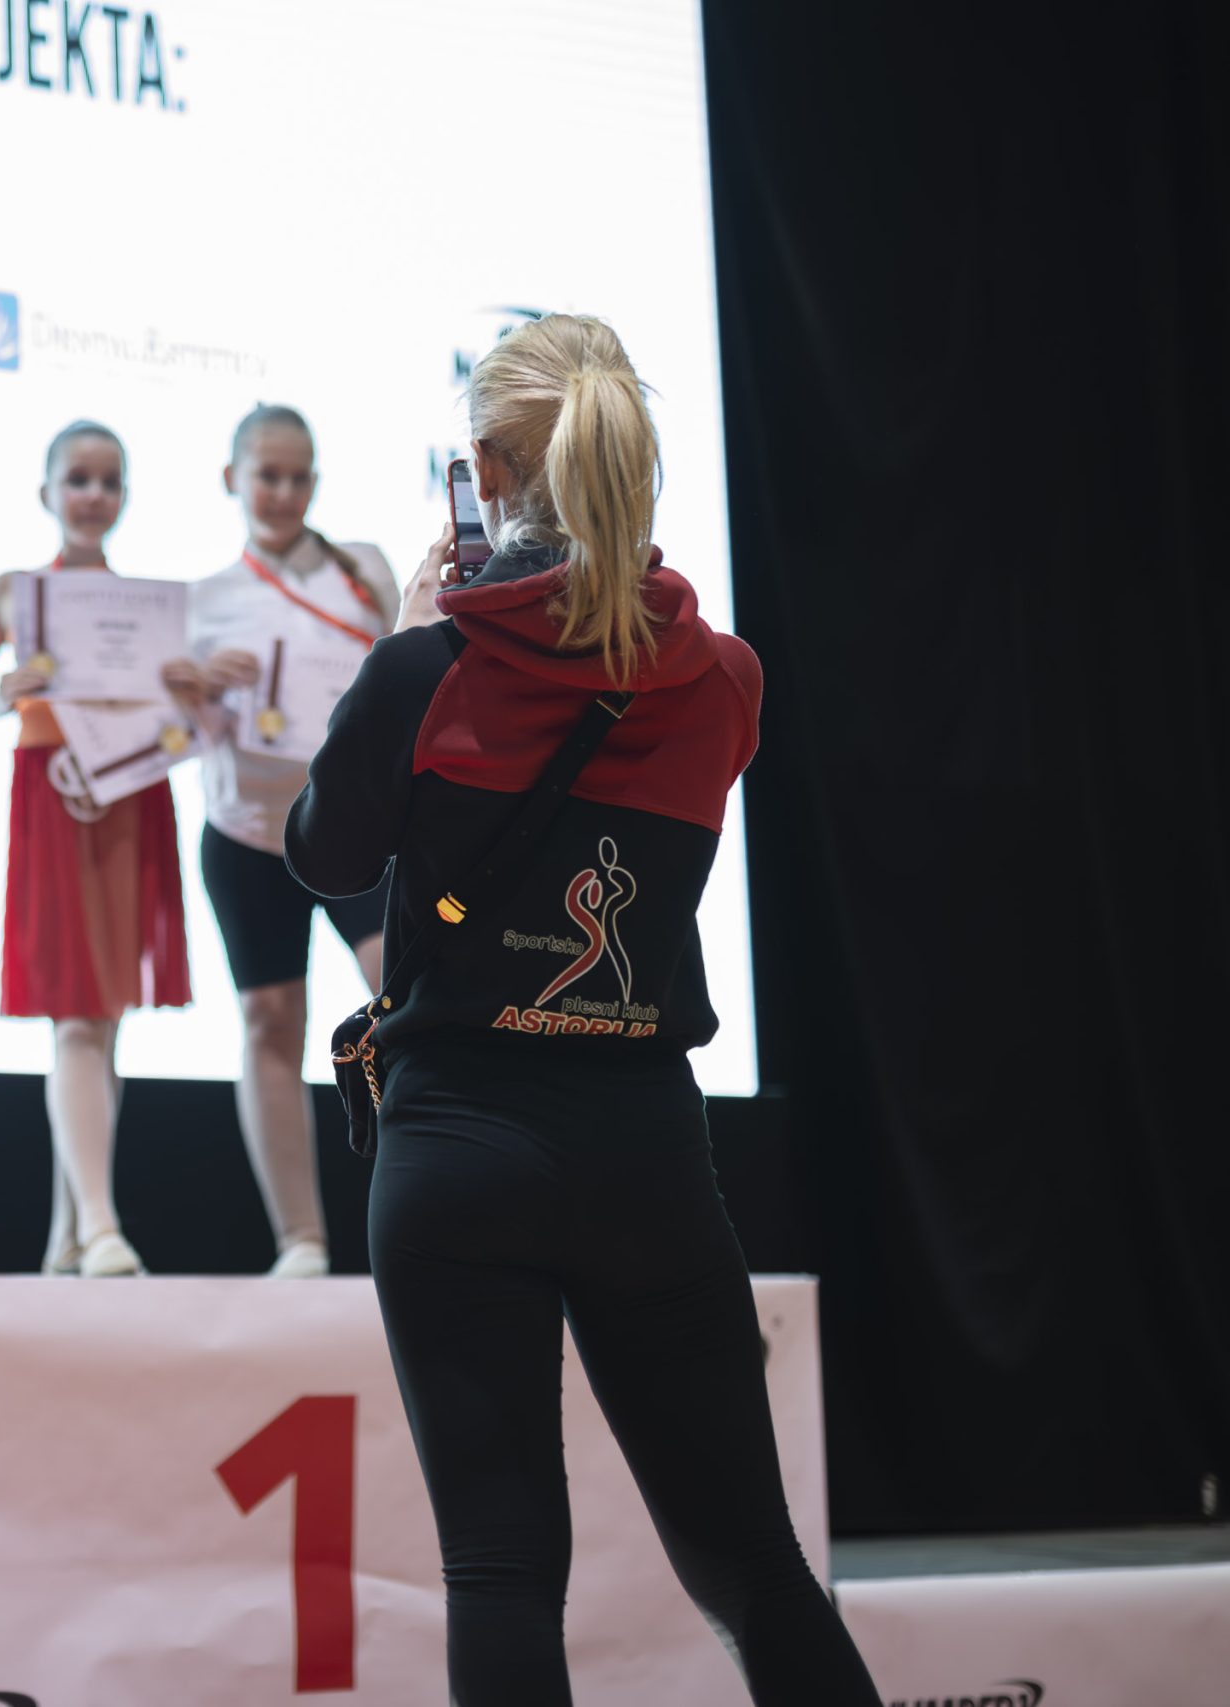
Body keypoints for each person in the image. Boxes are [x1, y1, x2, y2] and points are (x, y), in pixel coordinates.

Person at [286, 316, 880, 1705]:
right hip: (644, 1155)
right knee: (755, 1563)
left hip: (457, 1145)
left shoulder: (429, 671)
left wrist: (405, 639)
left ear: (485, 473)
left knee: (501, 1572)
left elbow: (323, 855)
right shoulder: (723, 679)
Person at [0, 420, 193, 1279]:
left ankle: (69, 1237)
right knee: (78, 1015)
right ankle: (102, 1226)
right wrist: (0, 696)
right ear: (45, 491)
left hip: (130, 790)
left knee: (102, 1020)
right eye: (78, 479)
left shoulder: (150, 608)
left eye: (109, 481)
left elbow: (178, 716)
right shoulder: (15, 593)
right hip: (53, 794)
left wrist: (187, 691)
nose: (93, 495)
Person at [178, 404, 396, 1278]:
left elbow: (410, 677)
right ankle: (300, 1240)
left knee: (407, 1006)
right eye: (267, 474)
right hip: (245, 834)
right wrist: (197, 695)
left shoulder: (362, 570)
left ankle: (440, 1211)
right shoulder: (200, 603)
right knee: (271, 1021)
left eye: (299, 475)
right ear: (231, 478)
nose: (283, 491)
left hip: (352, 829)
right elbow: (173, 739)